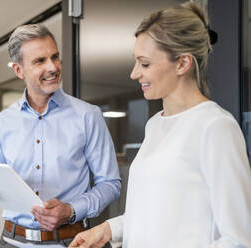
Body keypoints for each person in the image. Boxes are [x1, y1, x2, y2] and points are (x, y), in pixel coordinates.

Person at [69, 2, 251, 248]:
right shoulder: (155, 125)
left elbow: (238, 239)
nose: (134, 73)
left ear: (182, 64)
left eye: (145, 64)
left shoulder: (216, 127)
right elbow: (153, 213)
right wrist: (107, 229)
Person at [0, 24, 121, 247]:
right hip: (12, 241)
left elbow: (110, 184)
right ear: (19, 70)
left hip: (70, 241)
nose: (53, 67)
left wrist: (71, 210)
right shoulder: (3, 121)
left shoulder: (88, 116)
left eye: (55, 57)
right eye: (40, 61)